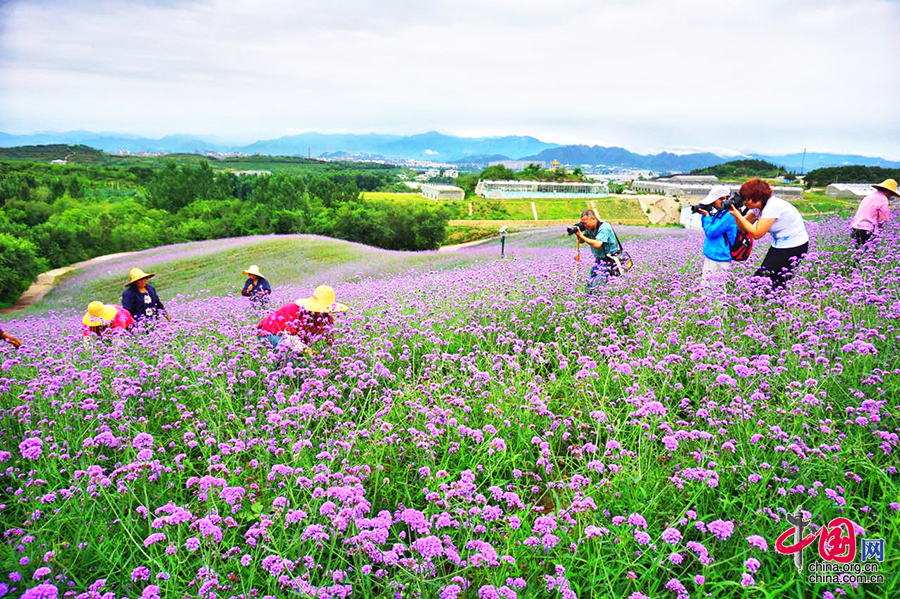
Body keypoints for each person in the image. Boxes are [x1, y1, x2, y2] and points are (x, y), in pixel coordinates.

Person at [730, 178, 809, 291]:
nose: (745, 202)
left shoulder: (773, 206)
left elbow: (757, 234)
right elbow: (743, 227)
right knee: (768, 279)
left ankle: (771, 303)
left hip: (794, 247)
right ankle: (771, 303)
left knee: (768, 280)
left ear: (757, 197)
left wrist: (738, 216)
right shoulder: (758, 207)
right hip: (779, 245)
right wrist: (736, 213)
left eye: (746, 199)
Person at [257, 285, 349, 352]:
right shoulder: (296, 311)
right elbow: (290, 339)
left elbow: (329, 337)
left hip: (289, 337)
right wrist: (307, 350)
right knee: (288, 352)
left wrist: (332, 351)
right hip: (268, 332)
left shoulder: (326, 318)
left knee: (299, 356)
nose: (323, 311)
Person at [696, 185, 738, 289]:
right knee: (706, 290)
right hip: (713, 255)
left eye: (715, 201)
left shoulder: (729, 215)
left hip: (720, 258)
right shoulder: (721, 212)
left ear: (725, 199)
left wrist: (706, 216)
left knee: (716, 292)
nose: (713, 204)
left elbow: (711, 232)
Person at [573, 209, 620, 293]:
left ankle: (599, 302)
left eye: (585, 223)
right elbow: (581, 241)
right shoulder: (590, 228)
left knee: (597, 286)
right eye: (582, 223)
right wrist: (578, 234)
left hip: (609, 261)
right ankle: (588, 301)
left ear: (593, 219)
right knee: (589, 284)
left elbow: (598, 244)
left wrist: (581, 236)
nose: (584, 226)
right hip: (599, 261)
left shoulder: (604, 227)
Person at [849, 178, 896, 245]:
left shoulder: (868, 197)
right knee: (870, 253)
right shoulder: (883, 199)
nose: (890, 197)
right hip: (868, 231)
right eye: (891, 194)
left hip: (855, 229)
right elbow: (884, 220)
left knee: (859, 253)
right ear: (889, 192)